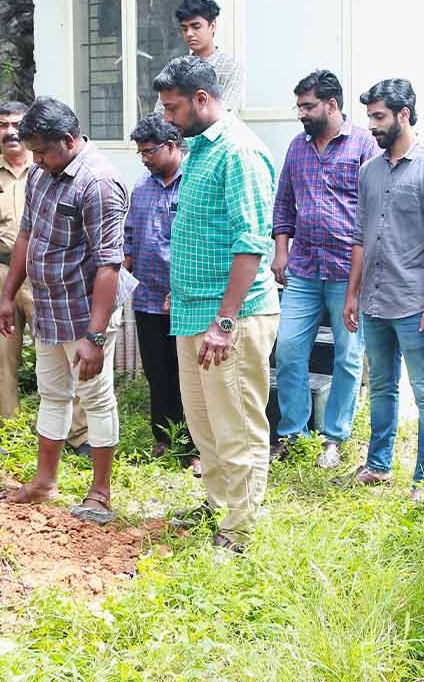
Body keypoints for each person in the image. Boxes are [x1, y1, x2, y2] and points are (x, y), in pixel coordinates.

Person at [154, 55, 279, 554]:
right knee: (204, 421)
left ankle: (242, 528)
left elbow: (251, 243)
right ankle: (218, 503)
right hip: (191, 311)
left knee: (237, 424)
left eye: (172, 107)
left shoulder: (239, 153)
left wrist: (225, 321)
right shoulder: (201, 151)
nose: (166, 117)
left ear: (202, 99)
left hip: (233, 317)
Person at [0, 97, 137, 524]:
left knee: (95, 396)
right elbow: (26, 235)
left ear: (70, 140)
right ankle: (45, 481)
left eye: (42, 151)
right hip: (48, 306)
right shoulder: (42, 172)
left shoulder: (99, 183)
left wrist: (95, 337)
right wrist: (8, 295)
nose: (35, 160)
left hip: (85, 311)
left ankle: (100, 492)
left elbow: (110, 263)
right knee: (53, 393)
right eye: (33, 152)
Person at [343, 78, 424, 500]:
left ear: (403, 115)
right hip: (373, 301)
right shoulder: (368, 171)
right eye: (369, 116)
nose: (371, 125)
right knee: (381, 387)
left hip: (414, 304)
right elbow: (359, 236)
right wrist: (352, 294)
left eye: (379, 116)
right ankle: (378, 465)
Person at [0, 100, 89, 452]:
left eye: (17, 124)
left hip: (44, 275)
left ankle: (78, 436)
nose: (10, 131)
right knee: (2, 356)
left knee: (64, 350)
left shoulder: (48, 167)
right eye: (2, 125)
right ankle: (7, 432)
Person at [270, 69, 379, 469]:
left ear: (331, 105)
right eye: (299, 105)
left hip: (346, 274)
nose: (301, 113)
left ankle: (334, 437)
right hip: (302, 269)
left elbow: (374, 211)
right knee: (289, 349)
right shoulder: (297, 149)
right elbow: (283, 204)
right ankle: (292, 433)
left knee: (348, 356)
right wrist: (281, 250)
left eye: (308, 105)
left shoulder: (364, 145)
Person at [124, 112, 199, 474]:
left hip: (186, 300)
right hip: (148, 298)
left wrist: (182, 289)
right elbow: (129, 237)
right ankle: (164, 437)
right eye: (141, 153)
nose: (145, 158)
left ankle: (194, 446)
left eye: (150, 151)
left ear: (172, 146)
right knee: (157, 372)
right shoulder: (141, 187)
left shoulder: (195, 182)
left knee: (190, 375)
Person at [176, 0, 245, 114]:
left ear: (212, 26)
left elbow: (223, 113)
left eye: (196, 27)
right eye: (184, 28)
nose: (189, 34)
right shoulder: (176, 69)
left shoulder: (231, 67)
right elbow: (162, 112)